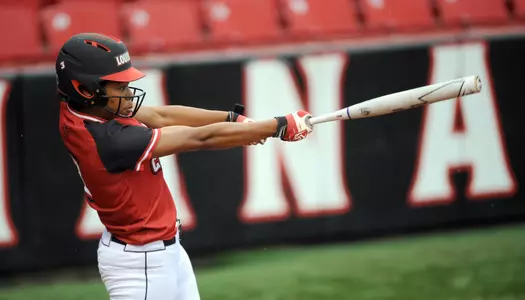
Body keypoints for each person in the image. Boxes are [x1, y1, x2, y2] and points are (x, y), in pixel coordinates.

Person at [56, 32, 314, 300]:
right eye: (119, 87)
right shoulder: (109, 141)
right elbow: (200, 137)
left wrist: (233, 119)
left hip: (162, 251)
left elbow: (160, 115)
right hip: (140, 263)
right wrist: (278, 126)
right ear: (84, 89)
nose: (128, 94)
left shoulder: (87, 107)